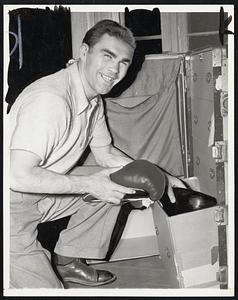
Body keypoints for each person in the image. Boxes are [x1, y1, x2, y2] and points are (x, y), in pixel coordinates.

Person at [9, 19, 186, 289]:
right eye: (108, 56)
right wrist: (91, 184)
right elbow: (17, 176)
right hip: (10, 205)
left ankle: (67, 262)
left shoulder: (93, 100)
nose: (115, 69)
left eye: (124, 62)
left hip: (43, 189)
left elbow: (106, 154)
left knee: (121, 181)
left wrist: (160, 175)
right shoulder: (51, 101)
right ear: (83, 52)